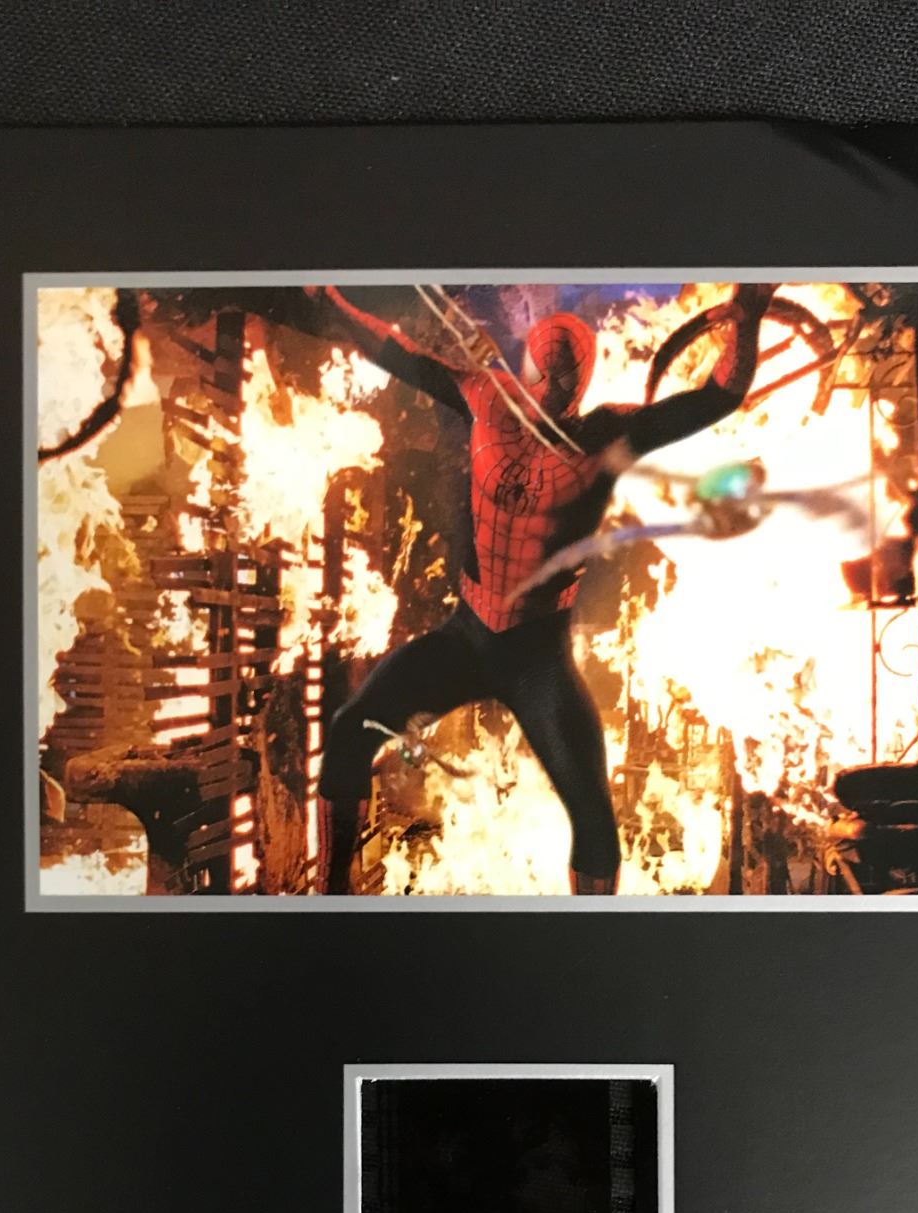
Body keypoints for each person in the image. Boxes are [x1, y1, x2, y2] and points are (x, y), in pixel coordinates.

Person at [313, 282, 776, 894]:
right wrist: (331, 300)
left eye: (566, 377)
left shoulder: (608, 435)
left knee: (593, 815)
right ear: (527, 366)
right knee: (351, 730)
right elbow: (399, 353)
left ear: (582, 385)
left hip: (538, 658)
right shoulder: (486, 396)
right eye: (545, 371)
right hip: (467, 636)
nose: (553, 385)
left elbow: (718, 397)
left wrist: (749, 316)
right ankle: (330, 897)